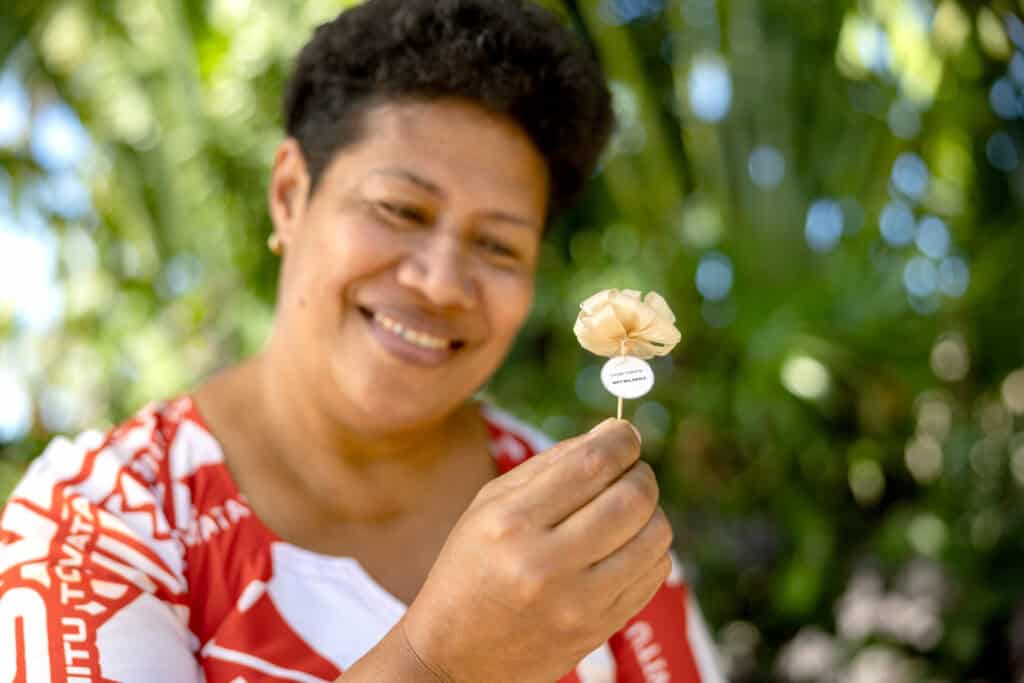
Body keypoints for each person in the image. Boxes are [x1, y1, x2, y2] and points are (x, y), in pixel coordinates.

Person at [0, 1, 722, 681]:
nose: (441, 282)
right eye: (399, 209)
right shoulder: (102, 521)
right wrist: (438, 660)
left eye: (498, 247)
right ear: (289, 194)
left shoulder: (583, 523)